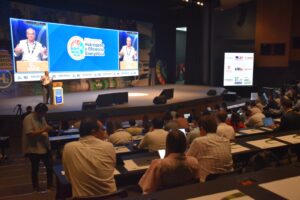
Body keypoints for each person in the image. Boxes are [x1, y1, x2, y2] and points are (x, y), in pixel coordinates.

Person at [63, 118, 116, 198]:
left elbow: (69, 176)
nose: (104, 132)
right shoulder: (109, 146)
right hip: (110, 196)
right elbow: (111, 168)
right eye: (102, 129)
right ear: (93, 132)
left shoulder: (68, 147)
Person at [139, 130, 198, 194]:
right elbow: (196, 182)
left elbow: (146, 188)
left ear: (167, 144)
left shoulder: (159, 164)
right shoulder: (193, 161)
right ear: (185, 145)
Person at [186, 115, 233, 182]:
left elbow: (186, 160)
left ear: (201, 128)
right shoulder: (226, 141)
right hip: (229, 179)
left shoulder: (198, 141)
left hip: (207, 183)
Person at [22, 103, 53, 190]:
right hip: (33, 148)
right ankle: (35, 186)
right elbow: (29, 134)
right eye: (43, 113)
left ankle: (50, 185)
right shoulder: (28, 119)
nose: (44, 115)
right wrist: (44, 130)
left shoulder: (41, 117)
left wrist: (50, 128)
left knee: (49, 167)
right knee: (35, 169)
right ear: (38, 112)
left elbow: (45, 127)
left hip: (44, 146)